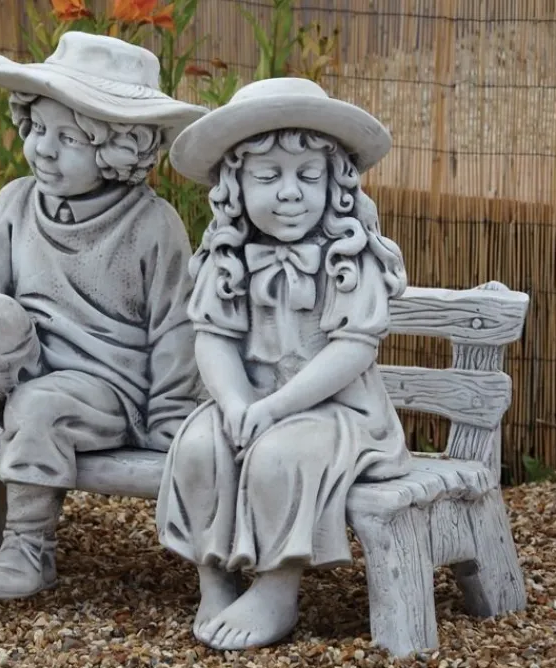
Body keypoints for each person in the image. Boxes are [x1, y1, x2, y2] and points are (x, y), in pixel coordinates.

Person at [0, 32, 208, 600]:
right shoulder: (15, 202)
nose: (44, 149)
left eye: (69, 138)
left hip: (105, 391)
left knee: (40, 404)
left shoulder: (152, 225)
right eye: (37, 128)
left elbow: (175, 328)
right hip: (24, 365)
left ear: (120, 149)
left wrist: (168, 417)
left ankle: (28, 547)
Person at [155, 78, 413, 650]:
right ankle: (214, 577)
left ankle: (276, 586)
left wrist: (275, 408)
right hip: (251, 402)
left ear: (336, 186)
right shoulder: (227, 256)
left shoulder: (349, 258)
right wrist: (235, 402)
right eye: (268, 177)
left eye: (308, 176)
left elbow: (353, 350)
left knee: (277, 456)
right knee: (197, 446)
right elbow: (214, 339)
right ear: (235, 187)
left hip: (338, 415)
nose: (290, 193)